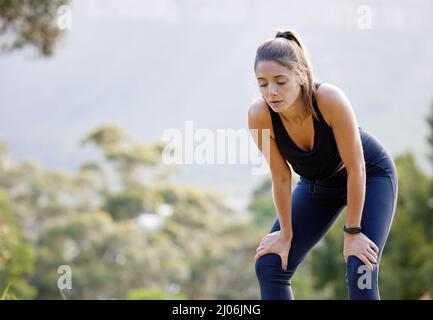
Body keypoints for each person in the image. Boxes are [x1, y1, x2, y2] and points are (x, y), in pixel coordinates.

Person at [248, 29, 398, 300]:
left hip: (370, 175)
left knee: (360, 267)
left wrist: (353, 232)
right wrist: (285, 234)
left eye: (280, 81)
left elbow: (357, 167)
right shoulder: (259, 116)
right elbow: (281, 177)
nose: (271, 92)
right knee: (270, 264)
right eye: (263, 83)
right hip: (318, 185)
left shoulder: (329, 99)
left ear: (301, 76)